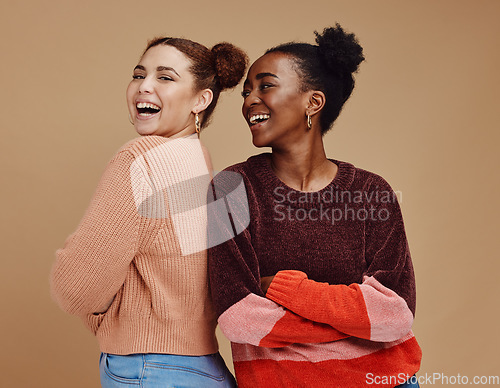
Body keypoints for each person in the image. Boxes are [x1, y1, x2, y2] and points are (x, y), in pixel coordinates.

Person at [207, 24, 422, 387]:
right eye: (247, 91)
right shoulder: (231, 190)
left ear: (313, 102)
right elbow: (238, 316)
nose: (249, 100)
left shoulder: (371, 192)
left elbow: (395, 315)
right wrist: (354, 320)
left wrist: (286, 289)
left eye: (266, 85)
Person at [50, 36, 247, 387]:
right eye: (139, 74)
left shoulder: (141, 157)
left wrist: (105, 312)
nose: (145, 87)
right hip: (204, 367)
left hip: (149, 369)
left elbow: (76, 288)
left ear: (201, 100)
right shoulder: (199, 160)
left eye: (165, 77)